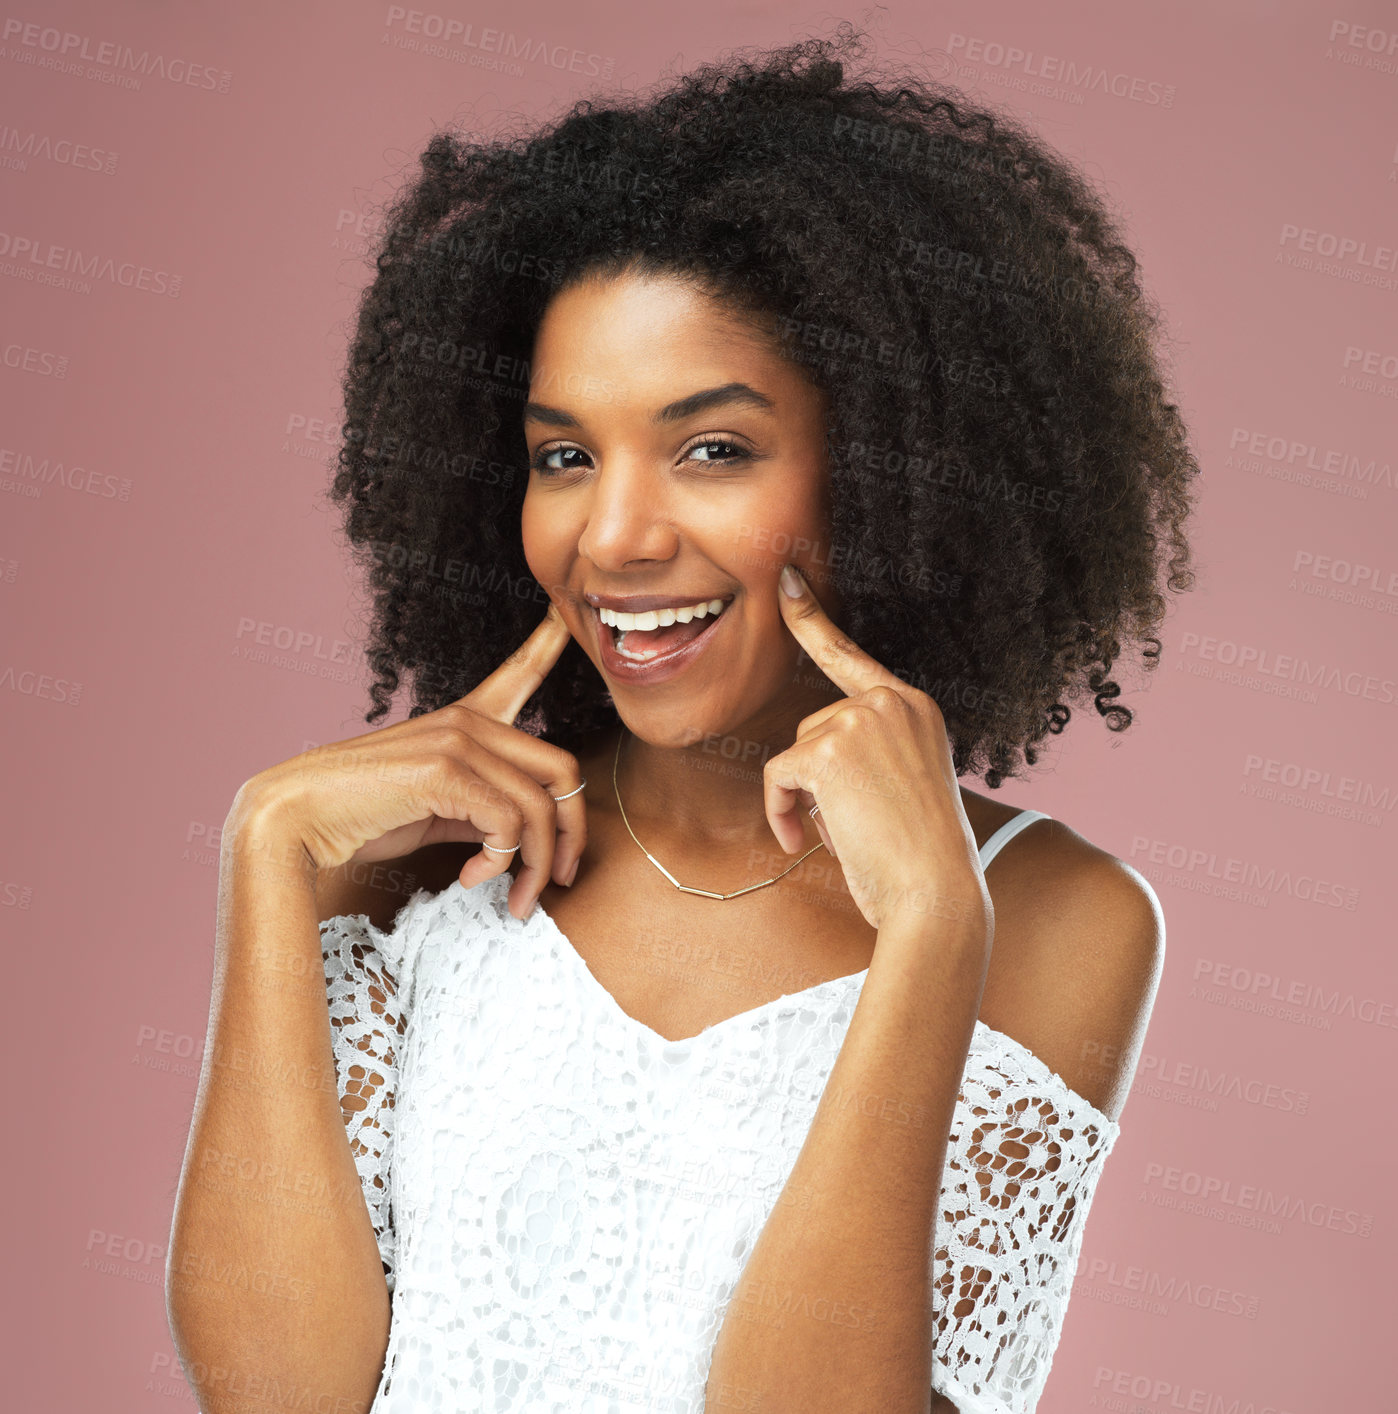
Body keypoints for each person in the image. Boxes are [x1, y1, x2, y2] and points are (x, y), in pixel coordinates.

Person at [167, 25, 1196, 1414]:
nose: (616, 535)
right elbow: (274, 1395)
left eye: (712, 448)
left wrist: (934, 929)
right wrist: (268, 844)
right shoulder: (414, 864)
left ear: (889, 470)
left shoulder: (1057, 917)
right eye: (563, 455)